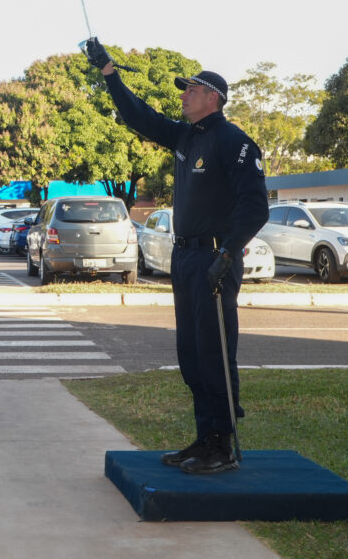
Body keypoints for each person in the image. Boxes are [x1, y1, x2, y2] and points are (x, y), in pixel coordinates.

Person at [83, 38, 268, 474]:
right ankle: (205, 438)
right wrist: (109, 72)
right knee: (190, 352)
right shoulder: (187, 136)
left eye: (191, 90)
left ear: (212, 98)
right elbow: (139, 117)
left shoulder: (233, 142)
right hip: (184, 259)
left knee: (214, 351)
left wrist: (227, 253)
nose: (183, 95)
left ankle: (223, 443)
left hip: (214, 259)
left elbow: (255, 207)